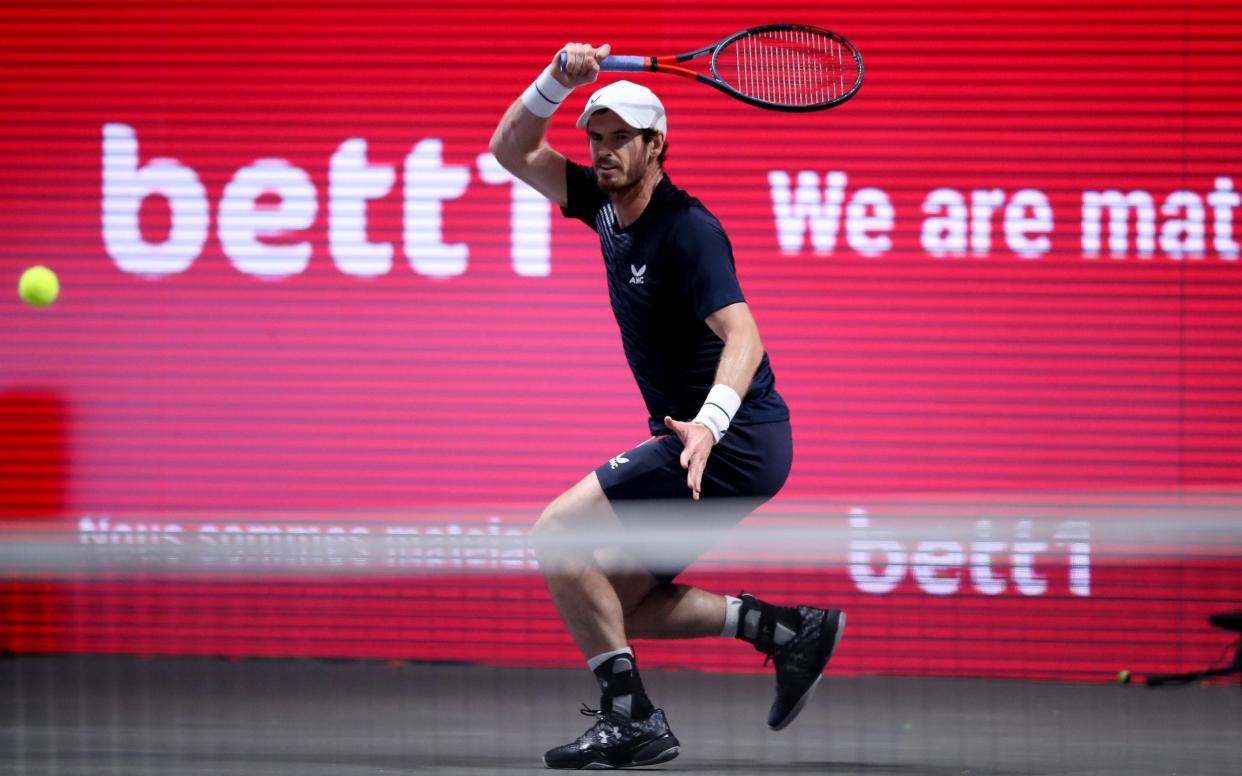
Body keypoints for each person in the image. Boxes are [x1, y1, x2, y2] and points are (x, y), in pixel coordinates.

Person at [490, 41, 846, 770]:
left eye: (621, 138)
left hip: (734, 439)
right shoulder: (601, 202)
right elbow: (510, 149)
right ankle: (787, 632)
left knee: (557, 535)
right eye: (596, 138)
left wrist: (711, 425)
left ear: (657, 145)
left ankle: (630, 717)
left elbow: (743, 334)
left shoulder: (689, 230)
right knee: (614, 601)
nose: (604, 151)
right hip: (720, 445)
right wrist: (557, 79)